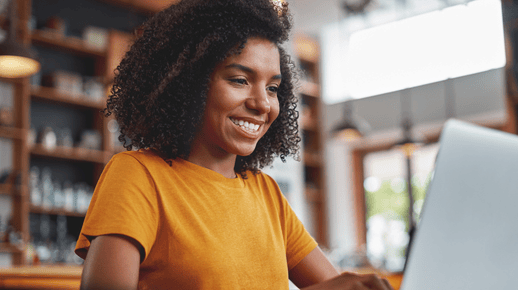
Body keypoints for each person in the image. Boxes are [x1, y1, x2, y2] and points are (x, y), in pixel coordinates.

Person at [75, 0, 394, 289]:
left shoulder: (266, 193)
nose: (263, 104)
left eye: (272, 88)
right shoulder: (138, 176)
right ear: (188, 84)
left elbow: (333, 285)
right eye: (239, 80)